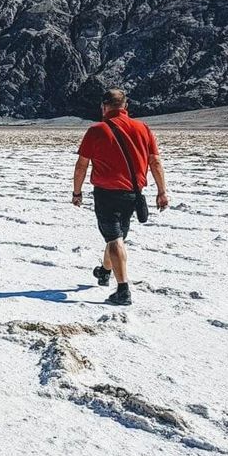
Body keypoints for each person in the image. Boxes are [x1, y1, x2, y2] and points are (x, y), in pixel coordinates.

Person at [72, 89, 169, 306]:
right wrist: (161, 192)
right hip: (133, 194)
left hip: (106, 193)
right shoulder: (143, 128)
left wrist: (77, 192)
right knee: (116, 236)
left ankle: (123, 289)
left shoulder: (96, 130)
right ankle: (105, 271)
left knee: (114, 238)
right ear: (125, 107)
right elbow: (155, 162)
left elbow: (81, 166)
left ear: (104, 107)